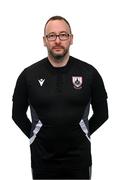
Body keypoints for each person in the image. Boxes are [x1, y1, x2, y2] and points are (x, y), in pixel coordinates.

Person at [12, 16, 108, 180]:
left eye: (63, 35)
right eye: (52, 36)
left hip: (79, 162)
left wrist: (82, 133)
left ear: (71, 39)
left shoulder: (89, 73)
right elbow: (17, 115)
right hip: (42, 162)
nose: (57, 40)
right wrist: (36, 136)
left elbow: (102, 114)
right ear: (44, 40)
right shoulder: (28, 75)